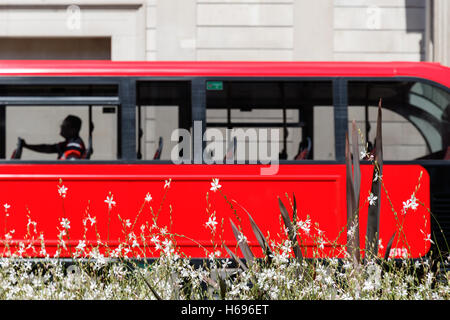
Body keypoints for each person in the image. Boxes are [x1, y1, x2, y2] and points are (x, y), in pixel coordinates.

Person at [20, 115, 86, 160]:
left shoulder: (74, 146)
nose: (61, 127)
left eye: (65, 125)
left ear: (73, 130)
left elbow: (69, 168)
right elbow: (47, 148)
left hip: (61, 180)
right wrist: (26, 146)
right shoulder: (67, 144)